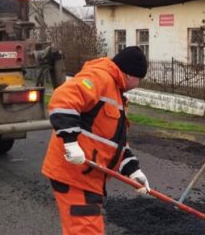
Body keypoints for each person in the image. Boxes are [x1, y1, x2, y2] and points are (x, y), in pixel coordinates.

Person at [42, 46, 150, 235]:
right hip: (74, 174)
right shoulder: (99, 78)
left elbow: (112, 143)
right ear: (129, 74)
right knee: (86, 231)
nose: (138, 84)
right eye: (139, 79)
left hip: (88, 177)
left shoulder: (115, 92)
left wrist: (133, 170)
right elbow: (63, 98)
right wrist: (70, 142)